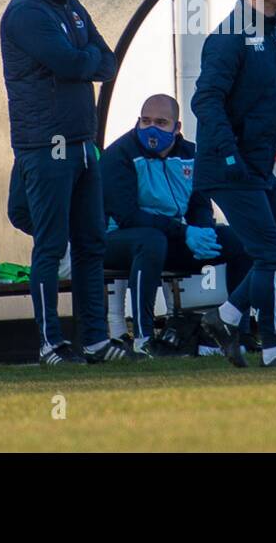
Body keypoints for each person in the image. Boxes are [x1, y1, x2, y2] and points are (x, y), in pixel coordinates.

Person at [2, 0, 127, 366]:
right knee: (51, 246)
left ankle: (94, 339)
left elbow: (107, 62)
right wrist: (84, 58)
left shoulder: (70, 6)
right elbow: (74, 63)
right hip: (47, 143)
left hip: (84, 143)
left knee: (91, 243)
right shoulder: (25, 12)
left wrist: (84, 58)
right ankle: (49, 343)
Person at [193, 0, 276, 368]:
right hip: (229, 169)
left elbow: (271, 97)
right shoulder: (230, 36)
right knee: (269, 255)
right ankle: (272, 347)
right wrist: (228, 155)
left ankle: (226, 316)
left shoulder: (275, 36)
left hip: (257, 168)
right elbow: (205, 100)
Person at [100, 93, 252, 357]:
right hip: (118, 240)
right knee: (150, 241)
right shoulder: (119, 154)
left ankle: (236, 330)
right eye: (145, 121)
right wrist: (185, 231)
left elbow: (199, 203)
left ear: (177, 127)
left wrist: (202, 229)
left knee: (237, 240)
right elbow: (128, 216)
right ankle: (143, 338)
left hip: (169, 237)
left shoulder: (192, 154)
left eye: (161, 122)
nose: (151, 129)